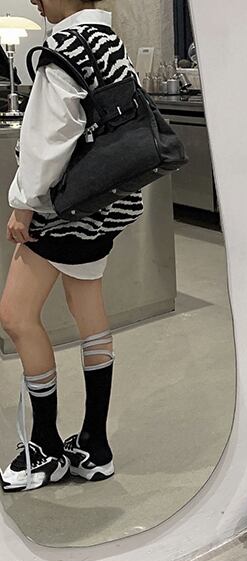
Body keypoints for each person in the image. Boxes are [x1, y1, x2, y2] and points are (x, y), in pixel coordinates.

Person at [0, 0, 144, 492]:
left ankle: (44, 446)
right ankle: (94, 445)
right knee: (87, 307)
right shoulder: (107, 40)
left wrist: (23, 205)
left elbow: (49, 139)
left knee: (15, 316)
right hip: (106, 205)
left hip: (64, 210)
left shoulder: (64, 46)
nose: (35, 1)